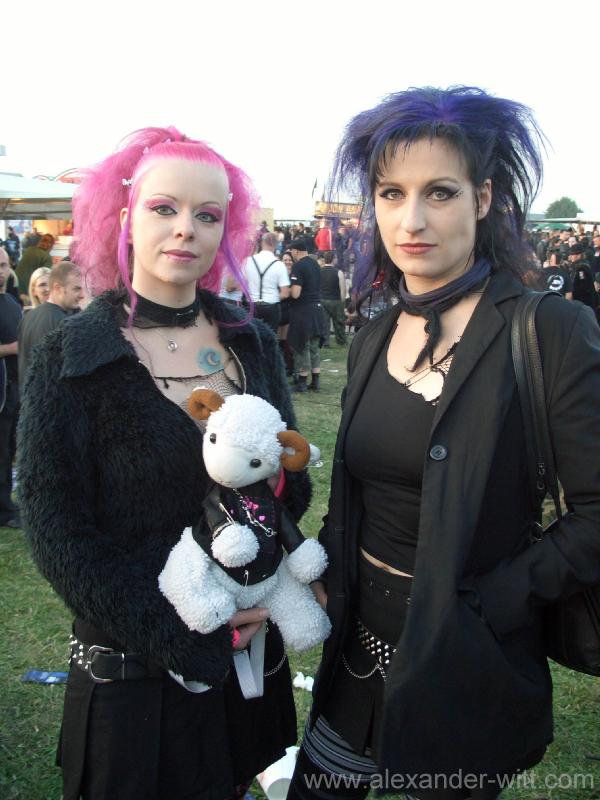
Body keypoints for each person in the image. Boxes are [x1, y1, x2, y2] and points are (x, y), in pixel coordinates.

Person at [287, 86, 600, 800]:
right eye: (391, 194)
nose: (413, 220)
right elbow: (359, 489)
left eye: (441, 192)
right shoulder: (372, 336)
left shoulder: (549, 330)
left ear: (483, 199)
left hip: (465, 665)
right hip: (354, 654)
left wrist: (487, 605)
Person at [17, 126, 311, 800]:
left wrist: (258, 582)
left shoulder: (252, 343)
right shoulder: (71, 353)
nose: (186, 229)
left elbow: (289, 489)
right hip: (135, 673)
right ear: (125, 217)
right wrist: (181, 630)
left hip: (244, 663)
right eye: (164, 208)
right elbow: (56, 529)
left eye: (207, 214)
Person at [18, 261, 84, 390]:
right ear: (58, 288)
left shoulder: (28, 317)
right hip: (51, 398)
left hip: (29, 397)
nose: (82, 295)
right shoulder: (63, 323)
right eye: (76, 289)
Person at [0, 247, 22, 528]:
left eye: (4, 265)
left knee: (8, 451)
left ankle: (6, 505)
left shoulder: (10, 302)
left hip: (13, 389)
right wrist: (11, 348)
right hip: (2, 390)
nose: (1, 271)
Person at [288, 237, 323, 392]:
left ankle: (302, 382)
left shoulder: (298, 266)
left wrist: (285, 290)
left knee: (302, 345)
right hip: (317, 309)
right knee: (314, 347)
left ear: (296, 251)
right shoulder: (316, 264)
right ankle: (315, 381)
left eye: (292, 252)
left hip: (303, 311)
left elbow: (296, 294)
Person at [243, 231, 290, 332]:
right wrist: (271, 297)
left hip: (251, 305)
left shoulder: (248, 261)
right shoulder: (279, 264)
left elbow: (241, 284)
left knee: (252, 336)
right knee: (270, 337)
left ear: (261, 243)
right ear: (275, 245)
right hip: (271, 307)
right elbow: (285, 293)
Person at [15, 233, 54, 304]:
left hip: (16, 287)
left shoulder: (29, 250)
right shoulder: (46, 257)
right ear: (51, 245)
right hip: (28, 292)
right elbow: (45, 277)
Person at [319, 250, 347, 346]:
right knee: (339, 323)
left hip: (322, 300)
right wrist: (342, 302)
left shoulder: (319, 271)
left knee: (324, 323)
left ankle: (324, 342)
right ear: (334, 259)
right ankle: (341, 341)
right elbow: (342, 289)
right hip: (336, 300)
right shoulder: (339, 272)